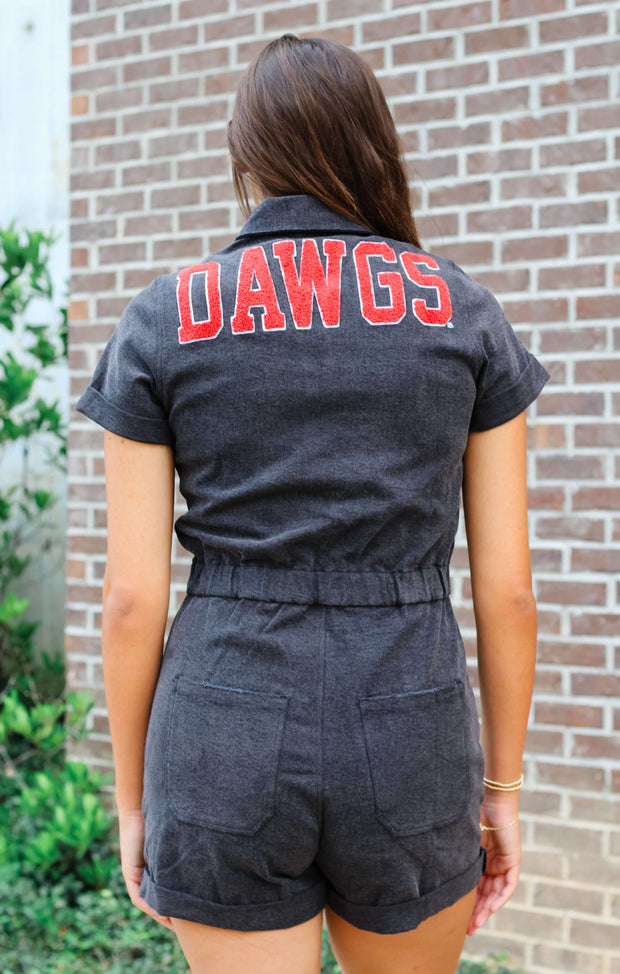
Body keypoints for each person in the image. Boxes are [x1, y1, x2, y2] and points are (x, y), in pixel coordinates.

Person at [74, 33, 550, 974]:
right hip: (410, 716)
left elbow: (131, 599)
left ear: (248, 158)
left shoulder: (164, 317)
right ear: (375, 146)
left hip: (222, 718)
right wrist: (501, 789)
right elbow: (510, 593)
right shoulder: (464, 312)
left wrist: (133, 802)